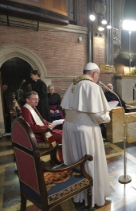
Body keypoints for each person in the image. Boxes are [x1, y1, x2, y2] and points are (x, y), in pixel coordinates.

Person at [61, 62, 111, 208]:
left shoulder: (73, 85)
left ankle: (78, 196)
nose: (97, 78)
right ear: (94, 73)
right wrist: (107, 116)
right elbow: (98, 115)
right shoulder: (92, 86)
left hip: (70, 128)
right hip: (85, 131)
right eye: (98, 75)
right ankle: (95, 198)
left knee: (75, 160)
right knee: (89, 163)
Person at [21, 91, 62, 159]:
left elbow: (40, 119)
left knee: (62, 132)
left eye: (37, 99)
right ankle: (60, 159)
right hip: (38, 135)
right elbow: (31, 126)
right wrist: (47, 127)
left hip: (42, 131)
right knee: (61, 135)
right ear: (27, 100)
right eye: (34, 99)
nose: (37, 101)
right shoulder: (26, 110)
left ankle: (56, 158)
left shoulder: (32, 107)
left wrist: (48, 123)